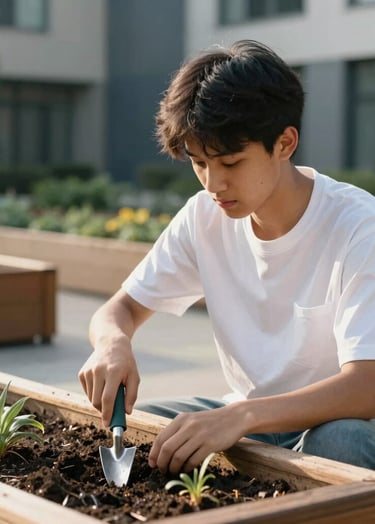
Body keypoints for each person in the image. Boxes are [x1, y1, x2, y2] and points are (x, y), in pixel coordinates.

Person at [79, 40, 375, 475]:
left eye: (231, 163)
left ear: (285, 143)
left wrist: (241, 417)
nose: (212, 184)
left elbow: (367, 385)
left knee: (340, 443)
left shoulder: (358, 226)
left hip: (343, 420)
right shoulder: (204, 218)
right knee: (153, 433)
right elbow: (119, 308)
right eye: (198, 162)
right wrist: (112, 342)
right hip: (252, 419)